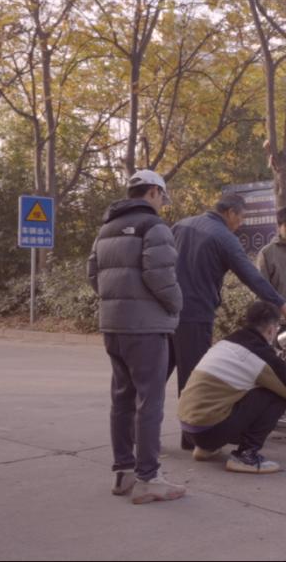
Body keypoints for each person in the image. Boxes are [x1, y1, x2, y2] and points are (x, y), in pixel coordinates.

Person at [87, 169, 186, 504]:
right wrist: (176, 305)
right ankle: (149, 477)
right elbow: (161, 276)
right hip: (146, 327)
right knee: (150, 402)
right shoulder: (154, 226)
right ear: (153, 192)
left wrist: (117, 300)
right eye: (162, 196)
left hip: (113, 325)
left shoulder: (105, 229)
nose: (162, 203)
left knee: (122, 399)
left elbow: (93, 274)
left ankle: (124, 473)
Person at [172, 193, 286, 449]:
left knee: (153, 380)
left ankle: (140, 437)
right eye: (240, 218)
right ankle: (192, 439)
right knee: (193, 379)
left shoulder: (180, 226)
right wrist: (282, 305)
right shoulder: (223, 237)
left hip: (164, 312)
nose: (240, 224)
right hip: (195, 314)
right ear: (230, 212)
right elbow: (251, 276)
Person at [178, 301, 286, 474]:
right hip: (208, 431)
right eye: (277, 327)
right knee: (278, 394)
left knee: (239, 391)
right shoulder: (259, 353)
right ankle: (246, 456)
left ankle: (205, 448)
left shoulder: (227, 342)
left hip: (188, 428)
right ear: (271, 329)